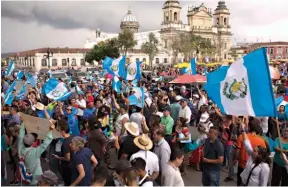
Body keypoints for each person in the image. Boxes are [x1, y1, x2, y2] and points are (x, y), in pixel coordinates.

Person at [17, 116, 54, 185]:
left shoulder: (20, 147)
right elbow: (45, 144)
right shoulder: (35, 152)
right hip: (36, 178)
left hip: (24, 177)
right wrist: (50, 130)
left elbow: (21, 136)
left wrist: (23, 123)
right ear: (33, 143)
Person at [234, 118, 266, 186]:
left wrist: (235, 159)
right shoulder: (262, 141)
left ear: (249, 127)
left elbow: (238, 151)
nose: (254, 150)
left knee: (240, 181)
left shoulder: (240, 137)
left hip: (242, 164)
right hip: (255, 167)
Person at [52, 119, 74, 186]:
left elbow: (67, 158)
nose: (58, 132)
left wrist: (58, 157)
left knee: (68, 182)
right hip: (73, 166)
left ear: (63, 131)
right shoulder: (72, 136)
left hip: (67, 168)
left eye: (59, 130)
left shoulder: (65, 143)